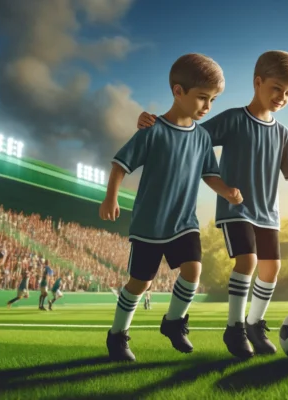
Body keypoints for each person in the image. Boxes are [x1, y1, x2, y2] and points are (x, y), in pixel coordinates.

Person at [136, 50, 288, 358]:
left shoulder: (282, 134)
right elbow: (190, 133)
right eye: (277, 88)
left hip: (268, 214)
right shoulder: (234, 119)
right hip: (236, 210)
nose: (282, 97)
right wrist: (152, 125)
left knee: (272, 268)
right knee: (247, 262)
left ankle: (254, 324)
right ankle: (234, 329)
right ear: (258, 82)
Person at [100, 53, 243, 362]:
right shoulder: (152, 130)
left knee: (193, 271)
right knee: (141, 283)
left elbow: (211, 175)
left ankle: (174, 322)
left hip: (184, 223)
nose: (208, 107)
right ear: (178, 92)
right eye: (202, 98)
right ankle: (117, 336)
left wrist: (227, 191)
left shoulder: (203, 138)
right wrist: (111, 197)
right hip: (150, 225)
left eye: (213, 100)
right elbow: (120, 164)